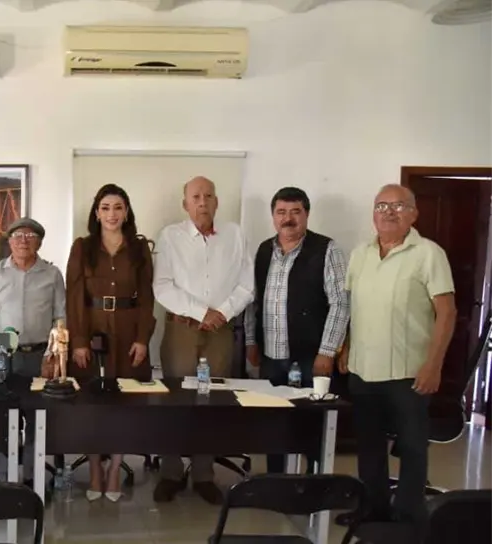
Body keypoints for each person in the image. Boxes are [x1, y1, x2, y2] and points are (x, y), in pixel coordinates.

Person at [339, 184, 455, 527]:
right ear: (373, 213)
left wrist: (434, 364)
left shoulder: (429, 254)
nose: (389, 212)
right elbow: (347, 307)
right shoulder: (360, 253)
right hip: (363, 368)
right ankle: (373, 509)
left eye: (398, 206)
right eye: (381, 206)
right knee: (369, 446)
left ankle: (408, 516)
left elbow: (446, 313)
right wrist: (344, 346)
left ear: (413, 214)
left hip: (410, 370)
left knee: (413, 448)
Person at [152, 175, 253, 505]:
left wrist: (221, 313)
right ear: (185, 203)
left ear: (217, 201)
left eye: (209, 195)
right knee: (175, 402)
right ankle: (169, 473)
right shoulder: (170, 236)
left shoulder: (235, 235)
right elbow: (163, 286)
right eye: (196, 196)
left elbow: (246, 285)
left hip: (220, 332)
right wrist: (200, 312)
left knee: (212, 402)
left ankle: (204, 475)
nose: (203, 201)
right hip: (182, 329)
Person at [244, 187, 349, 474]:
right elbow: (254, 299)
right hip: (271, 355)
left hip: (310, 355)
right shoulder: (264, 250)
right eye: (281, 212)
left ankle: (312, 484)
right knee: (274, 422)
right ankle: (277, 480)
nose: (288, 219)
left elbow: (341, 303)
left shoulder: (328, 249)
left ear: (307, 214)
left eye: (295, 212)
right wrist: (251, 341)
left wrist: (327, 351)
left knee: (312, 424)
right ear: (273, 216)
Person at [66, 184, 155, 503]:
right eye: (105, 207)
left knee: (125, 404)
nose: (112, 214)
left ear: (127, 211)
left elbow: (147, 297)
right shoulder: (83, 247)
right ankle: (93, 467)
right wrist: (78, 341)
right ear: (96, 212)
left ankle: (116, 466)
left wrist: (143, 338)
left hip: (129, 331)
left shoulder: (139, 248)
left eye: (118, 207)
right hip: (92, 331)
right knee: (92, 402)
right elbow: (73, 297)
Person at [0, 217, 65, 487]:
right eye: (17, 235)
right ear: (9, 241)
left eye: (30, 235)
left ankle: (32, 478)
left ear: (39, 241)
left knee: (38, 420)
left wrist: (54, 356)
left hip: (39, 357)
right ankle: (4, 477)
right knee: (5, 419)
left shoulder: (52, 274)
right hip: (4, 355)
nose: (23, 240)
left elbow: (60, 317)